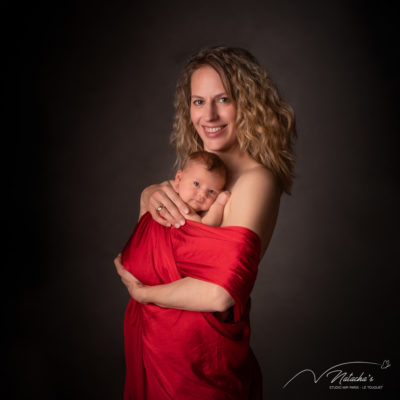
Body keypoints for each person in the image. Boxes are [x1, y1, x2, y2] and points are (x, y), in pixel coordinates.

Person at [114, 45, 296, 399]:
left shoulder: (256, 180)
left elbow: (219, 294)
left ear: (249, 103)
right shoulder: (201, 172)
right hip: (157, 346)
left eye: (223, 99)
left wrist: (143, 294)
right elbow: (152, 255)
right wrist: (145, 197)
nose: (208, 115)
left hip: (200, 364)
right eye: (198, 101)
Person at [150, 150, 230, 227]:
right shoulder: (182, 207)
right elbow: (207, 225)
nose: (202, 194)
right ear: (179, 179)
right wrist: (219, 203)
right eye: (196, 184)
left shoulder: (190, 211)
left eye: (211, 191)